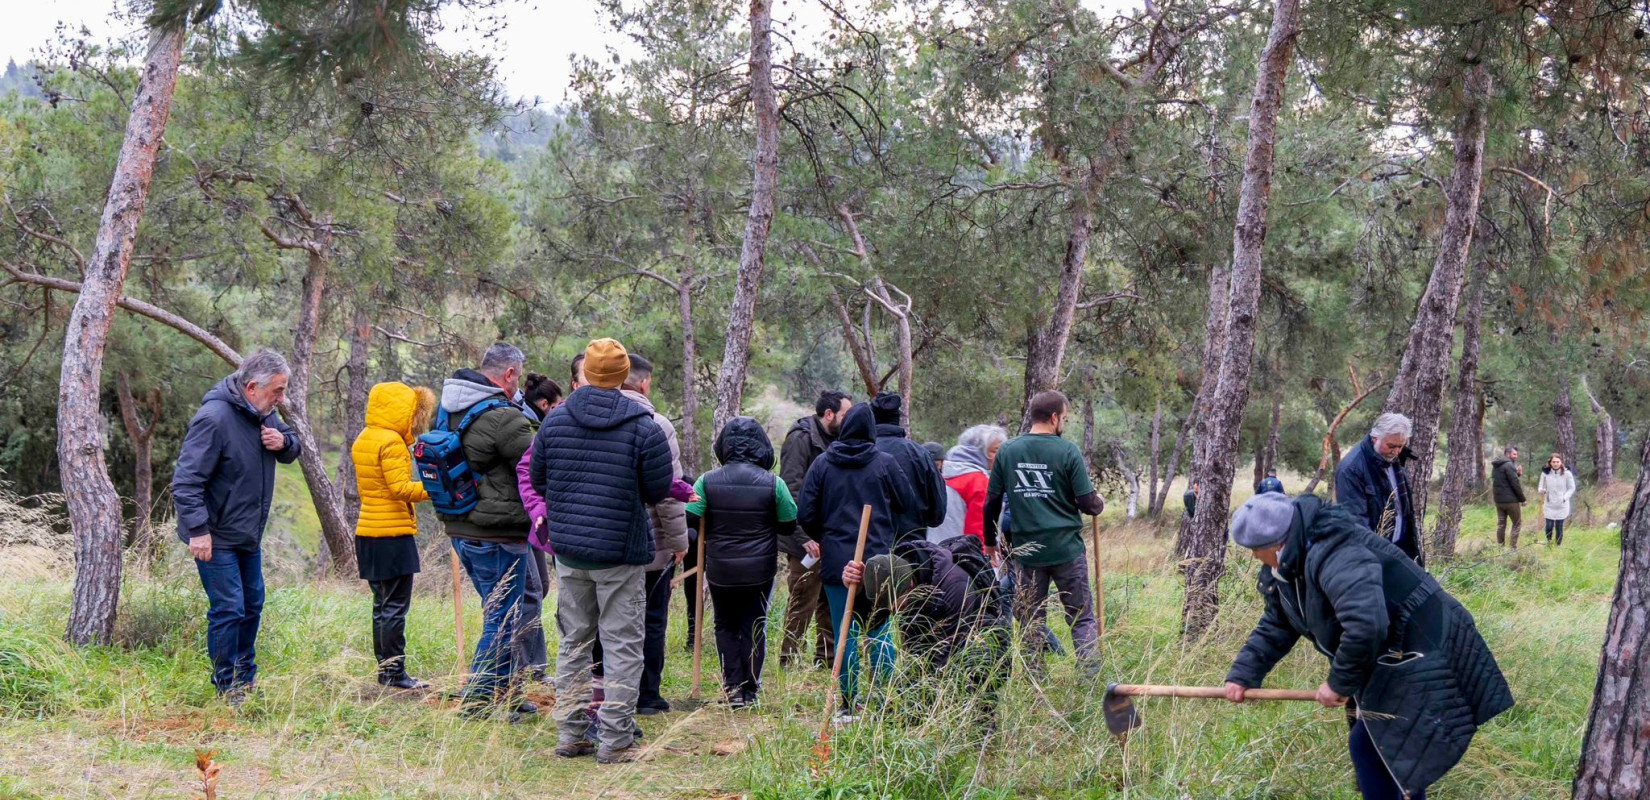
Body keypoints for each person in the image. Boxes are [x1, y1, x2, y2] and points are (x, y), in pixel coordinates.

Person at [1223, 492, 1513, 800]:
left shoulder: (1338, 552)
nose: (1255, 557)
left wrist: (1339, 683)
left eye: (1256, 550)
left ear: (1278, 543)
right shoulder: (1287, 566)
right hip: (1392, 652)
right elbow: (1278, 623)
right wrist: (1244, 674)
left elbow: (1366, 626)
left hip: (1424, 647)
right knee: (1381, 749)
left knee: (1384, 748)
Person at [533, 338, 675, 764]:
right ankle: (614, 741)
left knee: (574, 644)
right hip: (622, 552)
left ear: (585, 374)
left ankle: (571, 734)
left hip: (571, 552)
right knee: (622, 647)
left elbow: (539, 481)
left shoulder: (554, 423)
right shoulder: (644, 427)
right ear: (624, 375)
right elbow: (658, 489)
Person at [172, 350, 301, 704]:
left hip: (248, 532)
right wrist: (198, 531)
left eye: (282, 390)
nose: (281, 398)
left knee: (252, 604)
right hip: (215, 535)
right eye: (277, 390)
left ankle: (246, 679)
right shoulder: (213, 418)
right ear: (251, 386)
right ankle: (226, 686)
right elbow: (185, 483)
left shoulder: (264, 413)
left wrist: (284, 442)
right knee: (229, 608)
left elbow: (294, 448)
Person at [797, 403, 919, 723]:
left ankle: (848, 705)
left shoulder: (824, 463)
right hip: (877, 562)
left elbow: (805, 513)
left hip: (838, 561)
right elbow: (907, 503)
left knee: (845, 632)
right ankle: (883, 702)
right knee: (878, 631)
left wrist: (828, 533)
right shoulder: (885, 464)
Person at [438, 343, 539, 720]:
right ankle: (479, 702)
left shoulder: (449, 407)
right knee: (503, 617)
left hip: (462, 526)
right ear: (509, 374)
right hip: (498, 531)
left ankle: (509, 692)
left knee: (501, 612)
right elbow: (537, 465)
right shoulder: (504, 417)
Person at [984, 391, 1104, 675]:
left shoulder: (1008, 451)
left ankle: (1035, 683)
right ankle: (1091, 679)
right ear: (1053, 418)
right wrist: (1099, 504)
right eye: (1064, 418)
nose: (1064, 422)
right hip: (1067, 551)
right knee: (1082, 619)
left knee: (1029, 620)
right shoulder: (1067, 451)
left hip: (1027, 553)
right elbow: (1088, 502)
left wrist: (990, 543)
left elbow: (991, 502)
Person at [685, 416, 797, 709]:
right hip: (760, 571)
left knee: (725, 624)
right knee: (754, 624)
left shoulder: (706, 481)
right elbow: (788, 523)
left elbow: (692, 517)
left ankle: (732, 686)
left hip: (720, 568)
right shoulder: (775, 483)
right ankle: (750, 688)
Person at [845, 535, 1008, 724]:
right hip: (938, 633)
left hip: (979, 641)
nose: (895, 611)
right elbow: (872, 623)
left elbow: (945, 659)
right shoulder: (896, 573)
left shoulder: (955, 588)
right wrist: (858, 591)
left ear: (910, 587)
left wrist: (914, 710)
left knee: (971, 670)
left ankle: (981, 729)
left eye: (898, 605)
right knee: (915, 675)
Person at [350, 381, 437, 690]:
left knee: (381, 605)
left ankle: (385, 670)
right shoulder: (391, 442)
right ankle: (395, 672)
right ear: (403, 411)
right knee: (396, 607)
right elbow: (400, 488)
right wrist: (435, 489)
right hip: (392, 533)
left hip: (368, 531)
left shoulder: (365, 437)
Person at [618, 354, 690, 716]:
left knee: (609, 622)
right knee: (651, 620)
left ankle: (609, 696)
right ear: (644, 383)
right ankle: (647, 696)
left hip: (606, 544)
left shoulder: (590, 415)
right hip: (652, 546)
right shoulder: (656, 424)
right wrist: (679, 543)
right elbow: (668, 491)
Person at [778, 389, 852, 668]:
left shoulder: (838, 440)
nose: (848, 419)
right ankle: (789, 660)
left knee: (828, 600)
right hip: (805, 541)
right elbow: (790, 491)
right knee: (802, 600)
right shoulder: (801, 438)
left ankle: (826, 659)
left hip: (830, 538)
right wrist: (803, 536)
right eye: (844, 414)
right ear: (829, 414)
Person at [514, 373, 563, 682]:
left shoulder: (535, 424)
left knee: (539, 588)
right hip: (521, 520)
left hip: (532, 522)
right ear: (545, 404)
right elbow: (525, 471)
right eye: (557, 405)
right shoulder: (525, 428)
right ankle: (530, 667)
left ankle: (531, 664)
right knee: (530, 591)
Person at [1335, 413, 1422, 563]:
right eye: (1391, 446)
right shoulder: (1351, 469)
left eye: (1400, 446)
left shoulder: (1393, 457)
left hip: (1402, 548)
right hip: (1375, 556)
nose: (1396, 452)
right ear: (1375, 438)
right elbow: (1356, 524)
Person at [869, 393, 948, 543]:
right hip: (912, 552)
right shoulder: (920, 455)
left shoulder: (860, 452)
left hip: (866, 552)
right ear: (897, 419)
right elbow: (937, 514)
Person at [929, 425, 1006, 552]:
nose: (999, 456)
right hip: (963, 560)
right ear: (981, 452)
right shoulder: (979, 482)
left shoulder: (939, 474)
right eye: (994, 451)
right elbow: (978, 533)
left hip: (932, 554)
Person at [1491, 446, 1528, 548]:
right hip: (1510, 501)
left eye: (1516, 454)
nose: (1516, 456)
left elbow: (1504, 480)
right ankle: (1513, 549)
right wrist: (1523, 499)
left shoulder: (1497, 465)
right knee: (1517, 523)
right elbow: (1515, 484)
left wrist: (1517, 474)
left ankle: (1500, 547)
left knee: (1501, 524)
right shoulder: (1509, 465)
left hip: (1499, 501)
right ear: (1507, 454)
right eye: (1514, 454)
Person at [1538, 453, 1576, 546]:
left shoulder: (1567, 474)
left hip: (1561, 504)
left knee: (1559, 526)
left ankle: (1558, 545)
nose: (1556, 464)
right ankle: (1549, 542)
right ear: (1550, 463)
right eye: (1553, 462)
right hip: (1549, 504)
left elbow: (1571, 488)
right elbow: (1540, 487)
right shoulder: (1545, 473)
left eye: (1558, 462)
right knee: (1549, 525)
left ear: (1561, 462)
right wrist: (1542, 490)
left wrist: (1564, 498)